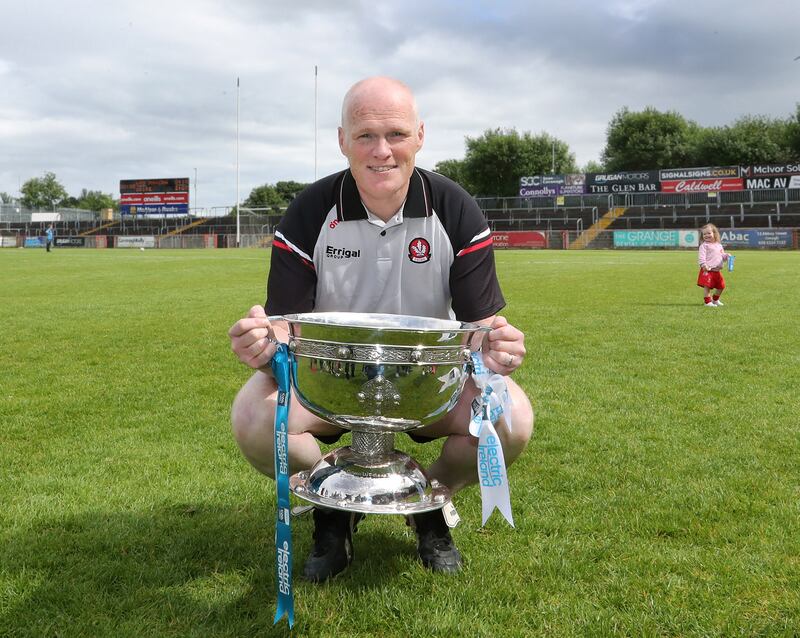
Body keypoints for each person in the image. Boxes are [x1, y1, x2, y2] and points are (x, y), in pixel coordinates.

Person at [228, 76, 534, 581]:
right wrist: (260, 344)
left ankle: (428, 504)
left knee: (511, 420)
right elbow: (284, 329)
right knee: (254, 419)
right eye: (365, 136)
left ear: (419, 135)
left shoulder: (456, 208)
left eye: (395, 134)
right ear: (342, 140)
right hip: (328, 381)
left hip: (428, 382)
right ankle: (334, 508)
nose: (382, 151)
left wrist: (498, 348)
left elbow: (481, 329)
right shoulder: (309, 210)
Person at [697, 223, 731, 307]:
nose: (706, 235)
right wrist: (703, 265)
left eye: (709, 233)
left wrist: (727, 256)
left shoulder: (718, 245)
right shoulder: (704, 246)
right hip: (708, 270)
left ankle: (715, 300)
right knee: (707, 286)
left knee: (721, 286)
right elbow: (701, 257)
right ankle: (707, 302)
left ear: (714, 233)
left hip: (717, 271)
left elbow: (722, 255)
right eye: (704, 234)